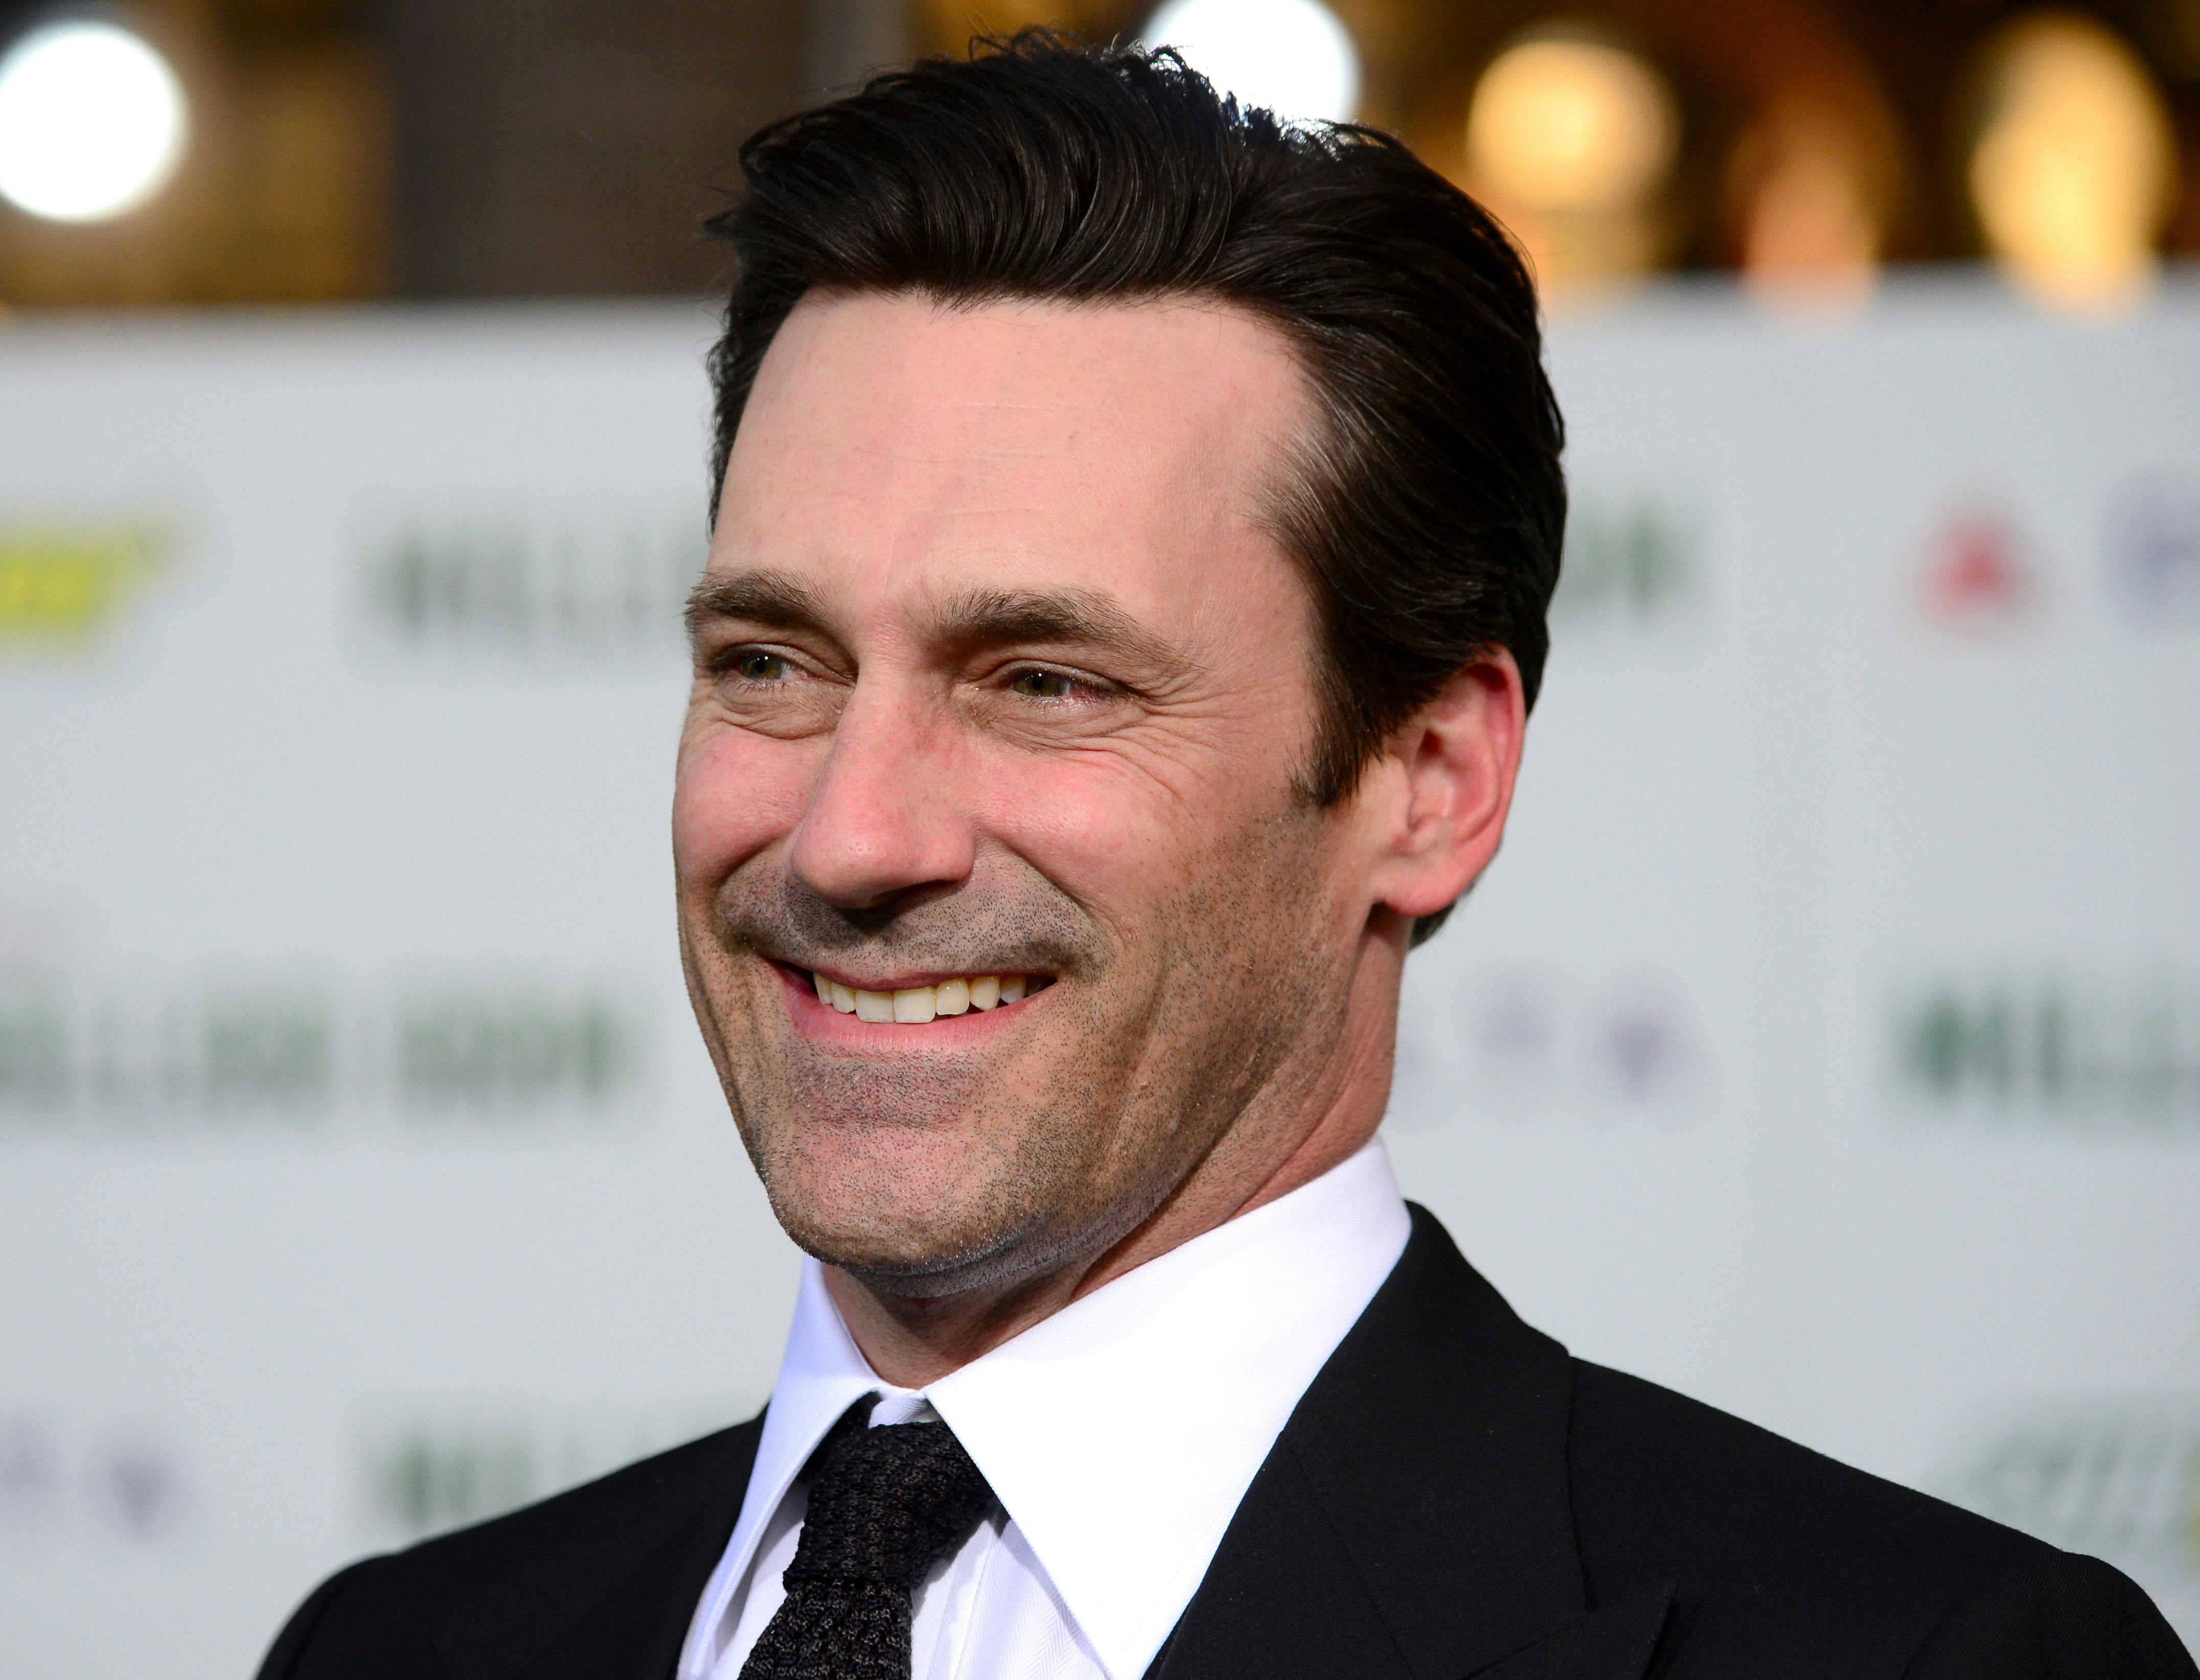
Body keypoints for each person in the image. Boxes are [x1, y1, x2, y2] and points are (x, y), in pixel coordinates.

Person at [258, 34, 2195, 1680]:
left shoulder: (1933, 1659)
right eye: (773, 663)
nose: (852, 835)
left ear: (1428, 779)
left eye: (1045, 683)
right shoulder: (401, 1652)